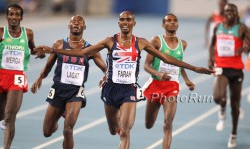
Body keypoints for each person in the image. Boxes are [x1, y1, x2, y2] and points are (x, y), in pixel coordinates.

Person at [34, 11, 214, 149]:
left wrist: (194, 68)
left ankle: (124, 125)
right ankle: (116, 121)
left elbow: (166, 58)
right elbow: (82, 52)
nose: (126, 22)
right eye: (122, 20)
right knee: (114, 130)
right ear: (119, 23)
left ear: (133, 23)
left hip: (129, 90)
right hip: (111, 90)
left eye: (129, 20)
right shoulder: (110, 41)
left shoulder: (141, 42)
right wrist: (54, 50)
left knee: (125, 132)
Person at [30, 15, 106, 149]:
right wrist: (40, 78)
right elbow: (49, 66)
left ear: (84, 27)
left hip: (75, 92)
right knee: (47, 132)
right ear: (68, 26)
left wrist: (106, 76)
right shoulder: (58, 44)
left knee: (68, 130)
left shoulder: (91, 49)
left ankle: (67, 113)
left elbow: (105, 69)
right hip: (58, 89)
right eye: (73, 22)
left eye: (79, 22)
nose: (76, 24)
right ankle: (58, 117)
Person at [142, 13, 195, 149]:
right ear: (163, 25)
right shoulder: (156, 41)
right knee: (149, 124)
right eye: (168, 21)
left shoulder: (182, 44)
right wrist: (158, 74)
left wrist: (187, 79)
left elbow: (178, 64)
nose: (172, 23)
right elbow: (146, 65)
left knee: (168, 122)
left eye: (175, 21)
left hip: (172, 87)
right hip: (155, 85)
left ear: (178, 24)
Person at [0, 3, 45, 149]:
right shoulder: (1, 33)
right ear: (7, 16)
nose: (14, 17)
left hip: (17, 77)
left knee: (10, 117)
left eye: (17, 14)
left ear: (21, 17)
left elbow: (32, 49)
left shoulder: (28, 33)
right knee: (2, 115)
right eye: (11, 14)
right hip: (1, 74)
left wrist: (39, 53)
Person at [208, 3, 250, 148]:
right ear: (224, 13)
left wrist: (244, 48)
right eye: (227, 11)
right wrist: (210, 59)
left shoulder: (242, 28)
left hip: (236, 70)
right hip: (221, 67)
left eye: (232, 10)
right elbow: (212, 44)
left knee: (235, 105)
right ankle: (222, 107)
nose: (230, 13)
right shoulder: (218, 27)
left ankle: (233, 134)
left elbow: (249, 44)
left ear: (236, 12)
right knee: (218, 97)